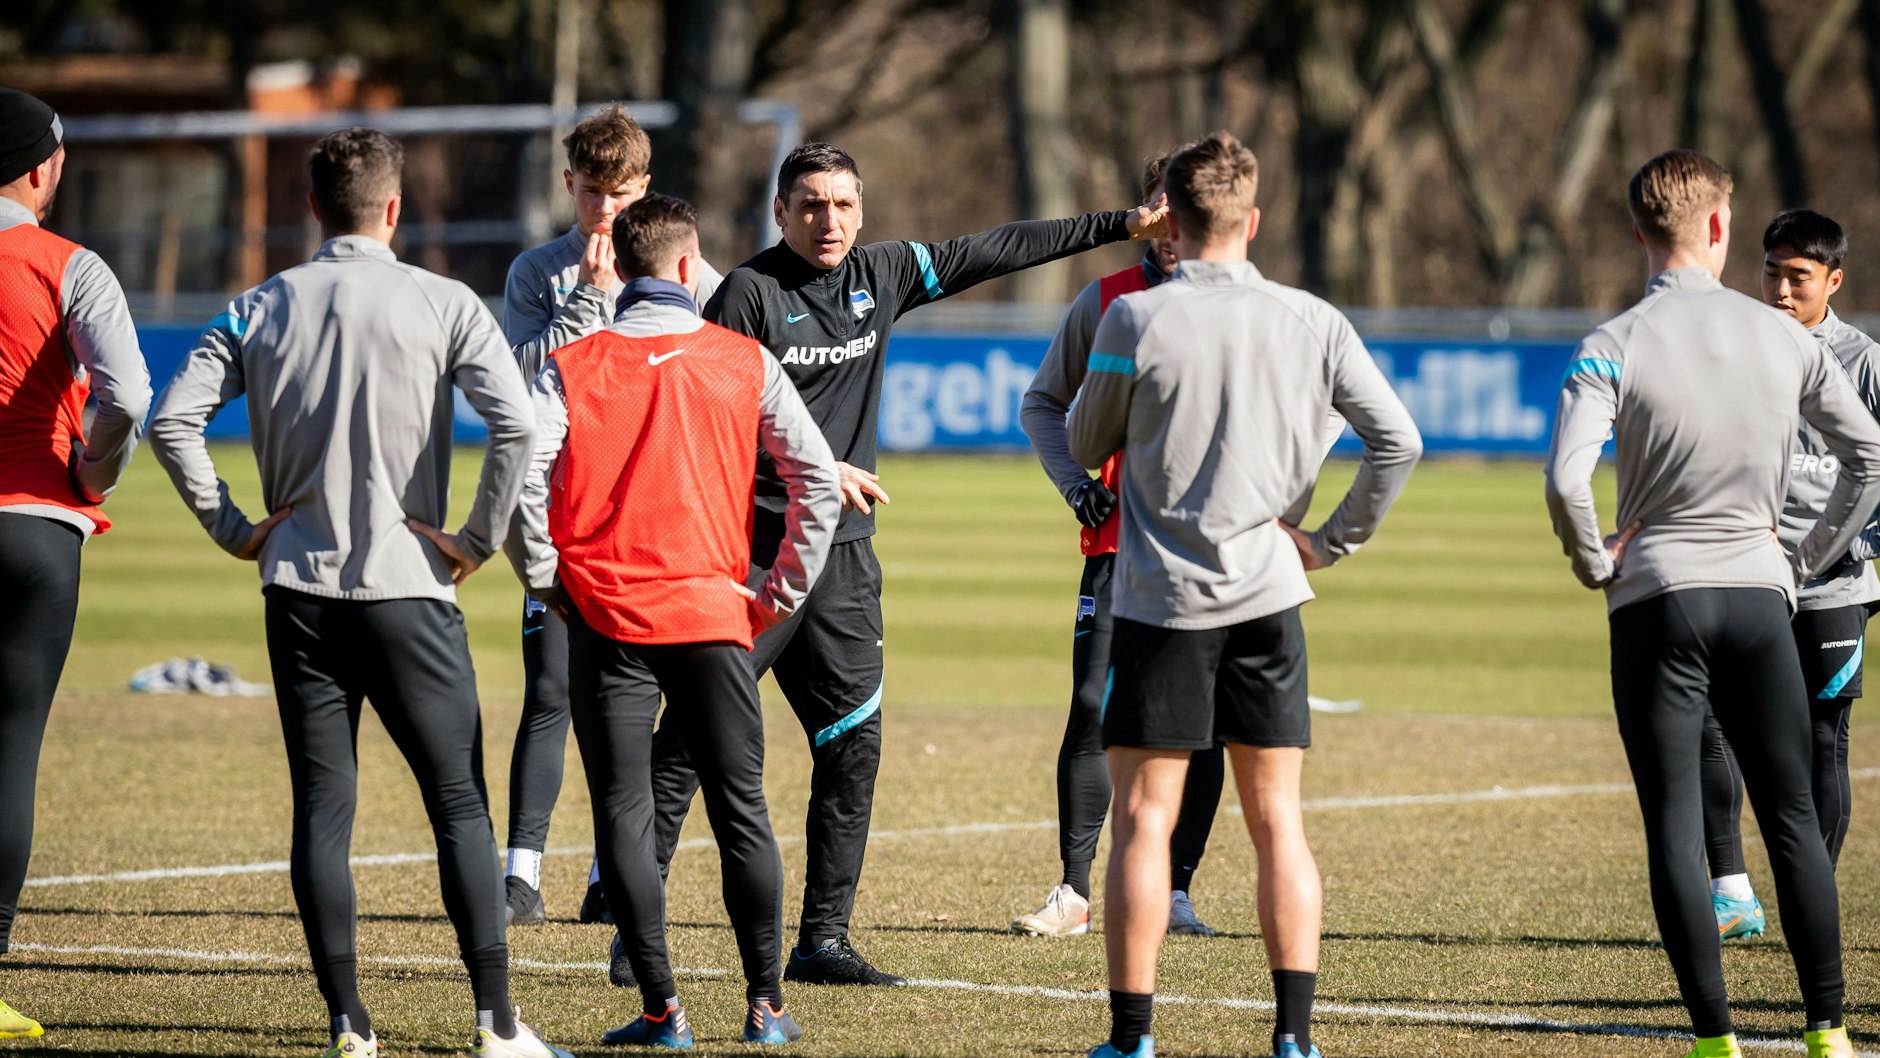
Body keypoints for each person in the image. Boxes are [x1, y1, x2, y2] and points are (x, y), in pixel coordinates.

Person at [644, 141, 1171, 986]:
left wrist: (1119, 224)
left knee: (853, 747)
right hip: (757, 557)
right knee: (694, 740)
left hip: (846, 564)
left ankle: (822, 942)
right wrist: (815, 469)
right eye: (811, 204)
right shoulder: (747, 294)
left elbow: (1001, 246)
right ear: (780, 212)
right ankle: (638, 933)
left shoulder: (882, 276)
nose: (830, 220)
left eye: (844, 204)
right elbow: (708, 431)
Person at [148, 127, 571, 1058]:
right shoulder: (444, 300)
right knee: (458, 803)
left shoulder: (258, 305)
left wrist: (232, 526)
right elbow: (519, 426)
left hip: (298, 586)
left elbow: (170, 419)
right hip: (411, 587)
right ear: (394, 208)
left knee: (322, 808)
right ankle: (498, 1024)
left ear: (311, 210)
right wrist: (476, 539)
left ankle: (348, 1021)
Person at [1068, 131, 1422, 1058]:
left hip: (1161, 599)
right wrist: (1326, 541)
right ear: (1253, 220)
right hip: (1270, 595)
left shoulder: (1134, 321)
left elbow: (1084, 436)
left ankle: (1134, 1036)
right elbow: (1399, 442)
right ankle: (1294, 1036)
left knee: (1145, 818)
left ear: (1169, 227)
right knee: (1279, 822)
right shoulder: (1314, 320)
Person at [1543, 150, 1878, 1058]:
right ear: (1722, 227)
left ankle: (1716, 1040)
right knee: (1795, 819)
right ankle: (1829, 1029)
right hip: (1761, 596)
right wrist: (1802, 561)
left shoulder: (1611, 342)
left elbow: (1566, 476)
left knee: (1674, 828)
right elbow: (1870, 456)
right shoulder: (1790, 338)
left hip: (1657, 598)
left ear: (1637, 231)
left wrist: (1593, 562)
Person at [510, 192, 838, 1048]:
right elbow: (816, 482)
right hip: (712, 610)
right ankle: (766, 1007)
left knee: (623, 808)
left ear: (616, 267)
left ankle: (663, 1010)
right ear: (692, 269)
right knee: (741, 808)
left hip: (604, 614)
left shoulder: (573, 363)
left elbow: (518, 478)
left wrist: (548, 581)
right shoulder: (743, 358)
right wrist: (780, 593)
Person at [498, 103, 723, 930]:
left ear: (645, 189)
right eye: (593, 193)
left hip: (660, 515)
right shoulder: (537, 274)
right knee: (551, 691)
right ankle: (520, 876)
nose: (607, 212)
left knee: (651, 704)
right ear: (570, 185)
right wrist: (586, 304)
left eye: (622, 194)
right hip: (567, 516)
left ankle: (611, 873)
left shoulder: (690, 275)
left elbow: (717, 371)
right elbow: (517, 387)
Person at [1015, 143, 1225, 939]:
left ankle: (1174, 890)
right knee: (1093, 708)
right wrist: (1076, 481)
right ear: (1144, 215)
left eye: (1187, 209)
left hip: (1209, 558)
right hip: (1114, 549)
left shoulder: (1251, 304)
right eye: (1160, 209)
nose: (1172, 226)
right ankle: (1073, 891)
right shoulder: (1104, 301)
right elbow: (1042, 404)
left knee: (1203, 723)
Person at [0, 86, 151, 1041]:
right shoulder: (71, 264)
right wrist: (92, 469)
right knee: (8, 747)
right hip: (34, 527)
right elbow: (128, 392)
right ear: (40, 169)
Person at [1701, 209, 1880, 942]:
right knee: (1709, 723)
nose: (1779, 288)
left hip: (1832, 582)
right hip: (1744, 573)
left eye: (1797, 277)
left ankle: (1812, 890)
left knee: (1818, 739)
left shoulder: (1865, 361)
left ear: (1832, 281)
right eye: (1770, 271)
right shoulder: (1735, 347)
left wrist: (1853, 546)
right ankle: (1732, 891)